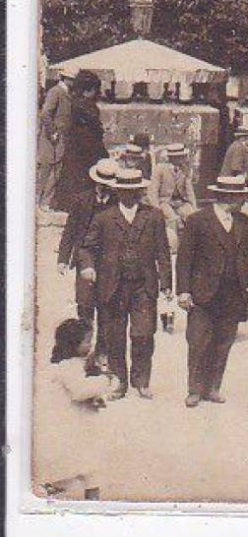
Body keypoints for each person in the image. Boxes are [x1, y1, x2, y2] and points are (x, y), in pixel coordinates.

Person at [78, 166, 172, 400]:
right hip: (113, 287)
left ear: (141, 192)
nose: (130, 196)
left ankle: (141, 381)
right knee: (114, 336)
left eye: (135, 191)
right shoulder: (103, 218)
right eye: (125, 191)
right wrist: (88, 266)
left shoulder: (153, 217)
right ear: (118, 192)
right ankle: (119, 382)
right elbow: (87, 248)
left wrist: (167, 283)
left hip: (144, 286)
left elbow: (163, 252)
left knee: (143, 334)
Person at [175, 173, 248, 406]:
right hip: (203, 292)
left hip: (233, 293)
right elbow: (184, 259)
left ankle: (213, 387)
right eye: (239, 196)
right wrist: (183, 291)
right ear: (226, 196)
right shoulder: (197, 220)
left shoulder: (242, 220)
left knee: (224, 341)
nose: (243, 200)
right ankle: (194, 389)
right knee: (198, 341)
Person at [34, 317, 115, 499]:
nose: (90, 345)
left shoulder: (77, 364)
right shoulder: (66, 366)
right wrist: (105, 381)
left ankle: (88, 501)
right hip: (71, 425)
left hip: (82, 424)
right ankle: (49, 492)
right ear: (73, 344)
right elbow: (79, 391)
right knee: (81, 468)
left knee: (89, 469)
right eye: (87, 341)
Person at [57, 158, 117, 360]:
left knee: (106, 307)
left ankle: (102, 352)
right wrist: (63, 259)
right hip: (84, 258)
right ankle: (82, 349)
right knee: (84, 305)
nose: (104, 187)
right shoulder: (81, 200)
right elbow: (70, 231)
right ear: (95, 181)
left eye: (108, 184)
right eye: (101, 183)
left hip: (108, 262)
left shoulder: (117, 202)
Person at [55, 70, 107, 211]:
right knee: (85, 179)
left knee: (72, 175)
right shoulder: (87, 106)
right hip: (87, 149)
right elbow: (95, 129)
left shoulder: (74, 102)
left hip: (75, 147)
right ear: (90, 90)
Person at [38, 72, 73, 210]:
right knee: (51, 169)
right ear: (65, 78)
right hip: (53, 138)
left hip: (59, 137)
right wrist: (52, 132)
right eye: (72, 79)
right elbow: (46, 113)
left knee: (56, 169)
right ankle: (44, 202)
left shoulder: (65, 92)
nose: (74, 82)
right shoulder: (56, 92)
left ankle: (47, 201)